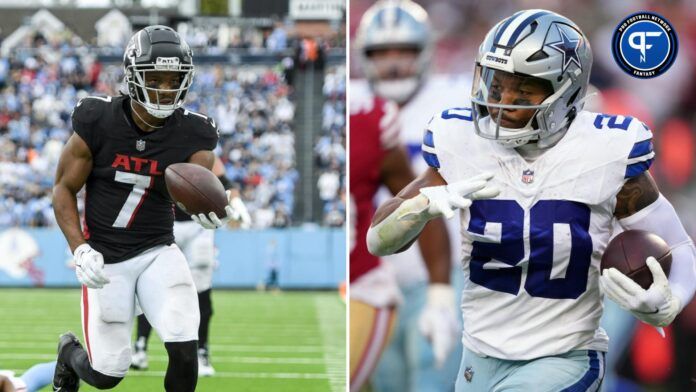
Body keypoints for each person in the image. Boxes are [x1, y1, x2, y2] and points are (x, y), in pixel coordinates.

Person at [366, 9, 696, 391]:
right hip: (479, 356)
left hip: (564, 357)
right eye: (494, 85)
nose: (502, 102)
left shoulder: (606, 151)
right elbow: (378, 239)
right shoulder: (460, 141)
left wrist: (673, 299)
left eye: (523, 91)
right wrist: (422, 207)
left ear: (565, 91)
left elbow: (679, 245)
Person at [51, 25, 243, 392]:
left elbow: (201, 187)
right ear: (133, 76)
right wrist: (80, 249)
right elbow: (63, 188)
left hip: (158, 250)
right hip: (106, 257)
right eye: (156, 78)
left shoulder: (194, 133)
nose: (166, 89)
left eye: (175, 80)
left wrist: (218, 207)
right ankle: (68, 354)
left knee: (184, 344)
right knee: (108, 373)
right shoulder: (98, 120)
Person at [354, 1, 470, 389]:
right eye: (381, 52)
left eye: (403, 51)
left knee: (431, 377)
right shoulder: (355, 104)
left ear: (424, 53)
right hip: (375, 275)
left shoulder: (458, 99)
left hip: (441, 269)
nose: (392, 63)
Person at [349, 86, 452, 391]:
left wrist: (440, 297)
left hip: (364, 286)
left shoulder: (371, 118)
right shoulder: (368, 112)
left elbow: (422, 203)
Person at [131, 156, 250, 377]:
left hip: (199, 224)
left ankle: (202, 351)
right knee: (150, 283)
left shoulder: (197, 136)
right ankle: (140, 346)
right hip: (163, 222)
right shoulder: (159, 141)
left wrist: (236, 203)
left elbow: (226, 182)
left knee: (202, 289)